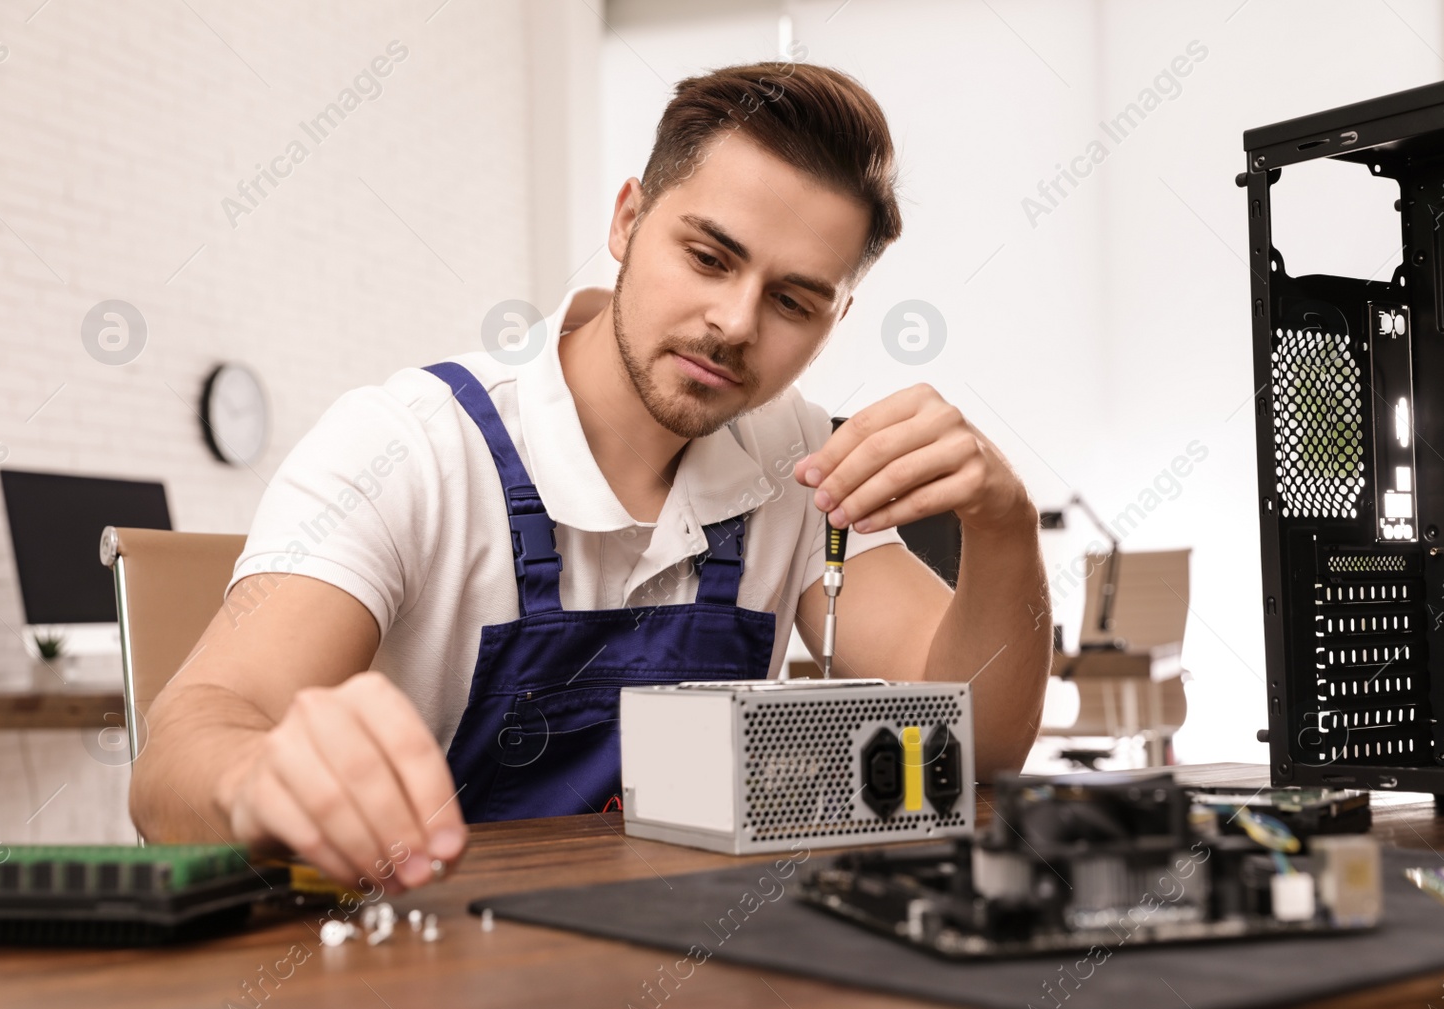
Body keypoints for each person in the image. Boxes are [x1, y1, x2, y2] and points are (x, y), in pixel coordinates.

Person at [131, 61, 1051, 894]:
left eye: (791, 301)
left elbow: (977, 748)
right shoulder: (409, 445)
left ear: (836, 319)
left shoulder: (797, 460)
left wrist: (1002, 521)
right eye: (708, 257)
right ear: (626, 220)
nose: (733, 322)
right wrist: (264, 779)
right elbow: (174, 763)